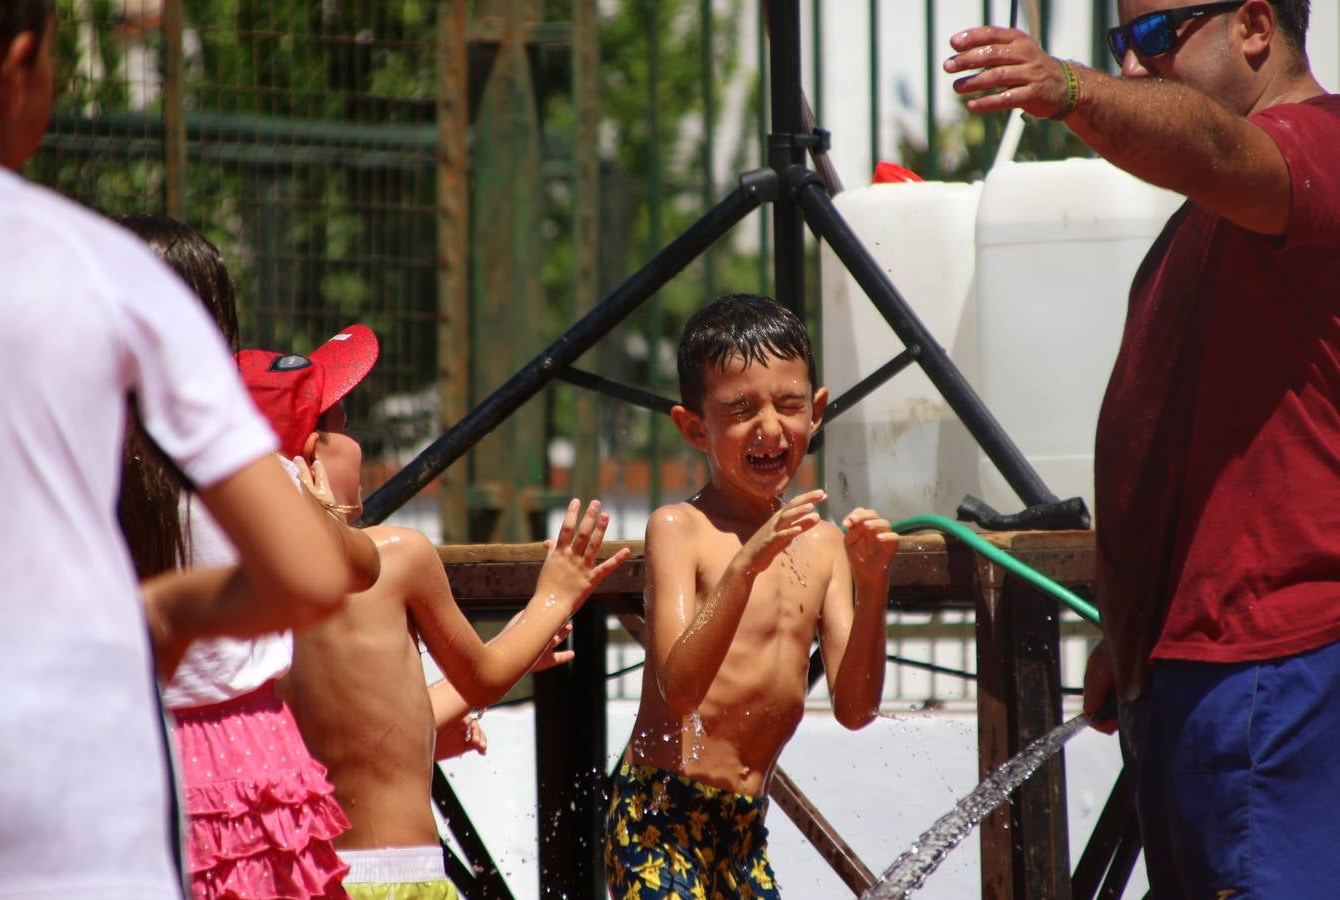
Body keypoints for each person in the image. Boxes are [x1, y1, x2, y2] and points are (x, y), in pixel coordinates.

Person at [945, 1, 1340, 894]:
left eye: (1155, 39)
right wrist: (1133, 631)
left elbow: (1211, 144)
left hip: (1277, 674)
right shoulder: (1195, 231)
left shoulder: (1319, 146)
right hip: (1197, 677)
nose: (1131, 68)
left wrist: (1065, 88)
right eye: (1116, 46)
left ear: (1253, 27)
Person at [0, 4, 377, 897]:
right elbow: (310, 572)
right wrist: (165, 615)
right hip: (84, 779)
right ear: (18, 64)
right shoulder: (98, 272)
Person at [236, 332, 631, 900]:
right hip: (403, 877)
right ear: (308, 458)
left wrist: (521, 636)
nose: (361, 445)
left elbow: (370, 729)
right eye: (345, 424)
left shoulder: (252, 588)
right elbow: (488, 674)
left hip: (310, 879)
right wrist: (555, 596)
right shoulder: (397, 558)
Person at [117, 216, 379, 900]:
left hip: (115, 748)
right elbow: (352, 570)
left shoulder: (75, 461)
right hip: (249, 755)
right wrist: (326, 511)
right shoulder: (246, 467)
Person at [604, 294, 899, 900]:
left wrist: (873, 586)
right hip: (658, 817)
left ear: (815, 414)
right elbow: (680, 690)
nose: (770, 428)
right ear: (693, 427)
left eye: (789, 405)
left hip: (742, 829)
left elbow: (855, 708)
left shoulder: (823, 546)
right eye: (740, 409)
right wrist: (746, 565)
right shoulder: (679, 530)